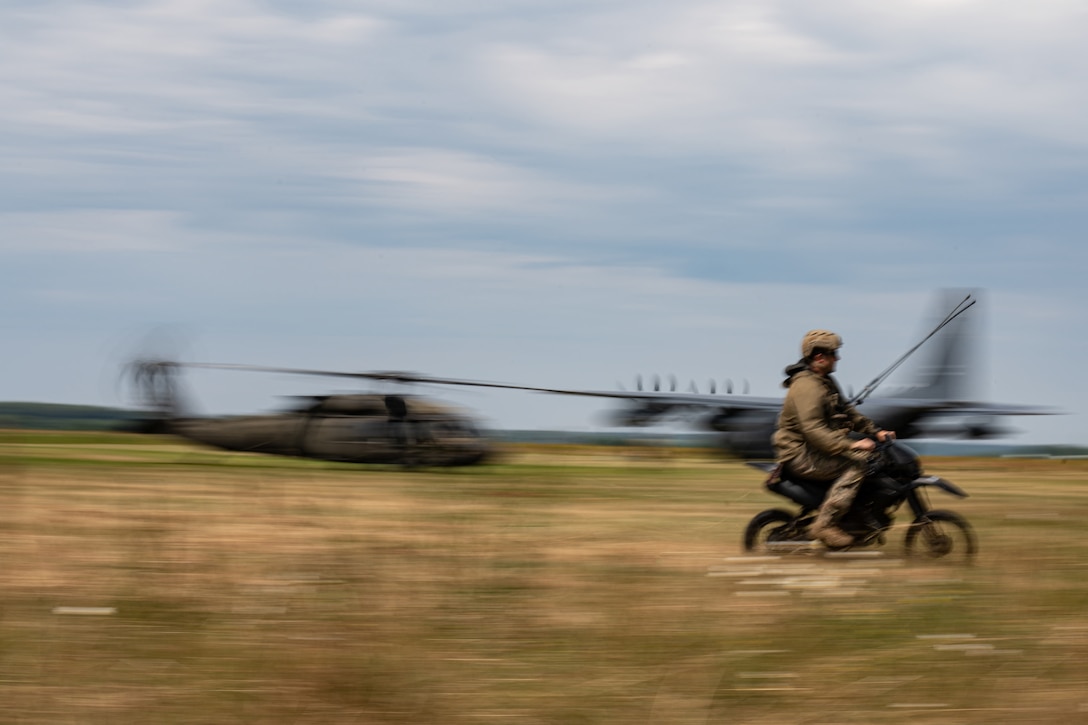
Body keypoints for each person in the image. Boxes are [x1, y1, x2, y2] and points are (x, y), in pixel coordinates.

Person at [772, 329, 895, 548]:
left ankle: (858, 518)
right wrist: (852, 444)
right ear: (819, 357)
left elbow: (848, 412)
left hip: (817, 450)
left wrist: (875, 431)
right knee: (858, 465)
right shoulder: (807, 387)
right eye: (833, 354)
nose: (837, 358)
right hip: (800, 454)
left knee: (875, 459)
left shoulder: (825, 381)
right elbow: (813, 429)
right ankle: (825, 524)